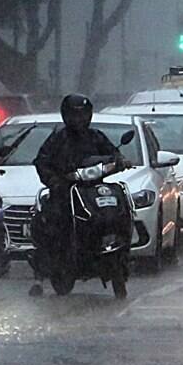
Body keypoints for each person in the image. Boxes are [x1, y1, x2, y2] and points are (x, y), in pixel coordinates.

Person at [31, 95, 125, 279]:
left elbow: (113, 153)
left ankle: (119, 249)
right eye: (75, 116)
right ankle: (52, 262)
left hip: (93, 189)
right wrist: (55, 181)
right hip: (65, 190)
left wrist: (119, 161)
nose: (79, 120)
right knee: (53, 218)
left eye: (83, 115)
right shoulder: (57, 139)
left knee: (116, 207)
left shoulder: (96, 136)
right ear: (66, 116)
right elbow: (42, 162)